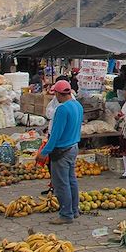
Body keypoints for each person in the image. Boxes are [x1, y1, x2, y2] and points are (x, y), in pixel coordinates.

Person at [38, 80, 83, 224]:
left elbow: (55, 135)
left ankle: (66, 214)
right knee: (71, 181)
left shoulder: (62, 109)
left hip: (62, 150)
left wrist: (44, 152)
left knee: (61, 183)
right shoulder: (78, 105)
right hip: (73, 147)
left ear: (57, 93)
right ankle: (74, 210)